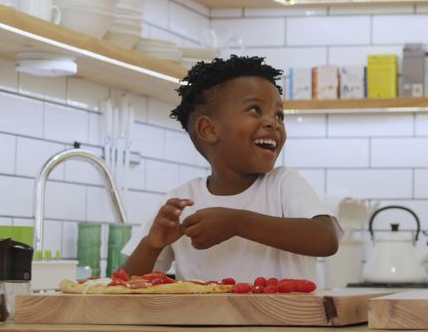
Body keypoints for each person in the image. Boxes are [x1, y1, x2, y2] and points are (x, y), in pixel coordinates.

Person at [121, 55, 340, 282]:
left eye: (279, 115)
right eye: (255, 110)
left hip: (285, 318)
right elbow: (123, 284)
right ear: (208, 130)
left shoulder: (283, 183)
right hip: (202, 319)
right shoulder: (181, 201)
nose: (273, 122)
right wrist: (152, 244)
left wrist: (237, 223)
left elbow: (325, 239)